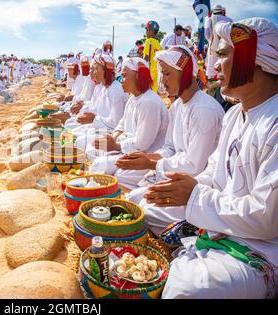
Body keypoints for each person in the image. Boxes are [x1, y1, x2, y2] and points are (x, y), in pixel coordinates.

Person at [144, 18, 278, 299]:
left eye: (222, 54)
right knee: (143, 207)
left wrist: (192, 195)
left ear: (253, 58)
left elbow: (266, 219)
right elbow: (214, 173)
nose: (214, 66)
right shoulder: (234, 115)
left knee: (189, 291)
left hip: (259, 252)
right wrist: (183, 185)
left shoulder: (273, 122)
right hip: (219, 227)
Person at [123, 45, 225, 229]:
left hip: (195, 186)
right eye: (162, 74)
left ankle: (189, 230)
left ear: (184, 72)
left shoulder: (203, 109)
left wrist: (152, 164)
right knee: (133, 198)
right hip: (173, 175)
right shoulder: (178, 106)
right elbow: (169, 148)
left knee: (143, 211)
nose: (163, 81)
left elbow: (195, 166)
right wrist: (149, 159)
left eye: (167, 74)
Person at [89, 57, 169, 189]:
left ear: (138, 76)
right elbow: (121, 123)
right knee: (93, 151)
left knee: (105, 168)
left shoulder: (149, 102)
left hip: (145, 156)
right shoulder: (133, 99)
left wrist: (116, 146)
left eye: (125, 76)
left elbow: (142, 144)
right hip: (125, 148)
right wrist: (112, 139)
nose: (121, 80)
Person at [205, 4, 233, 80]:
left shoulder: (210, 19)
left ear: (213, 11)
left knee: (212, 70)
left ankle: (213, 87)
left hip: (214, 47)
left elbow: (206, 34)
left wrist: (211, 40)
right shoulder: (230, 20)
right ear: (222, 11)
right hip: (227, 48)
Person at [143, 21, 162, 92]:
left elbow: (145, 59)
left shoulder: (149, 41)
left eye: (146, 30)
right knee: (154, 94)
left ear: (150, 31)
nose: (146, 32)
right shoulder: (158, 43)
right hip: (157, 73)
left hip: (150, 72)